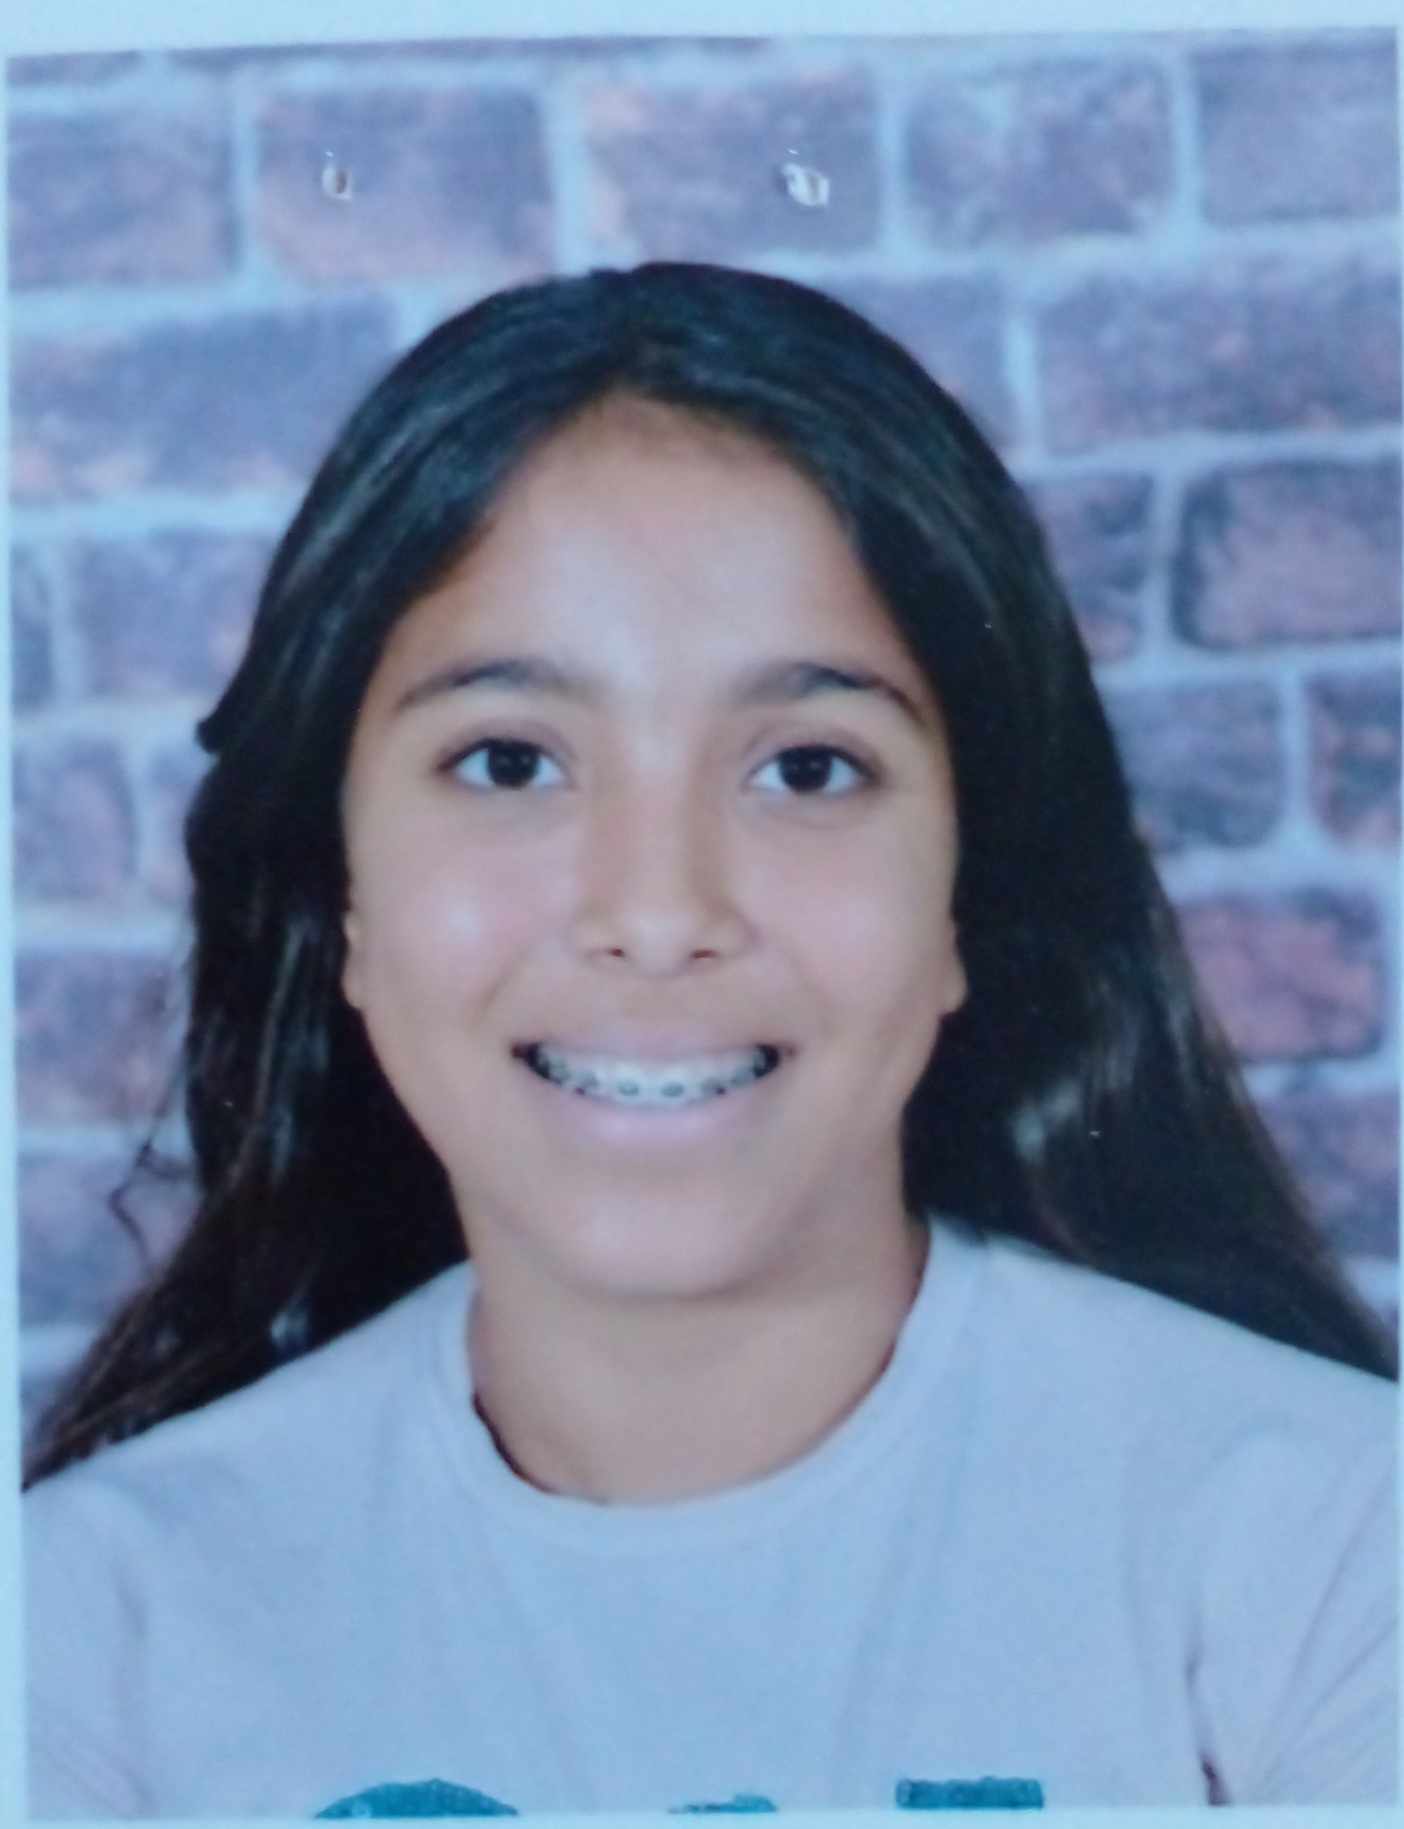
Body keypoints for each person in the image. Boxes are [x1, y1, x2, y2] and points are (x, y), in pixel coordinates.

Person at [22, 263, 1397, 1818]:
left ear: (967, 893)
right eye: (509, 761)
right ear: (341, 893)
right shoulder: (86, 1643)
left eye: (807, 768)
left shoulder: (1335, 1562)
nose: (660, 911)